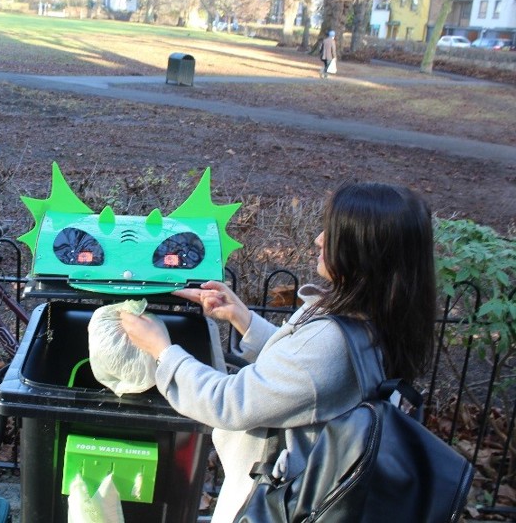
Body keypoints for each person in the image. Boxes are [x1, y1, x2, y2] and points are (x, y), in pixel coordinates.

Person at [120, 182, 436, 523]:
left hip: (269, 503)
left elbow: (230, 402)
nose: (318, 239)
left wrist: (162, 350)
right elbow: (299, 374)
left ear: (364, 250)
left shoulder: (330, 343)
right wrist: (242, 318)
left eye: (333, 233)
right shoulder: (376, 316)